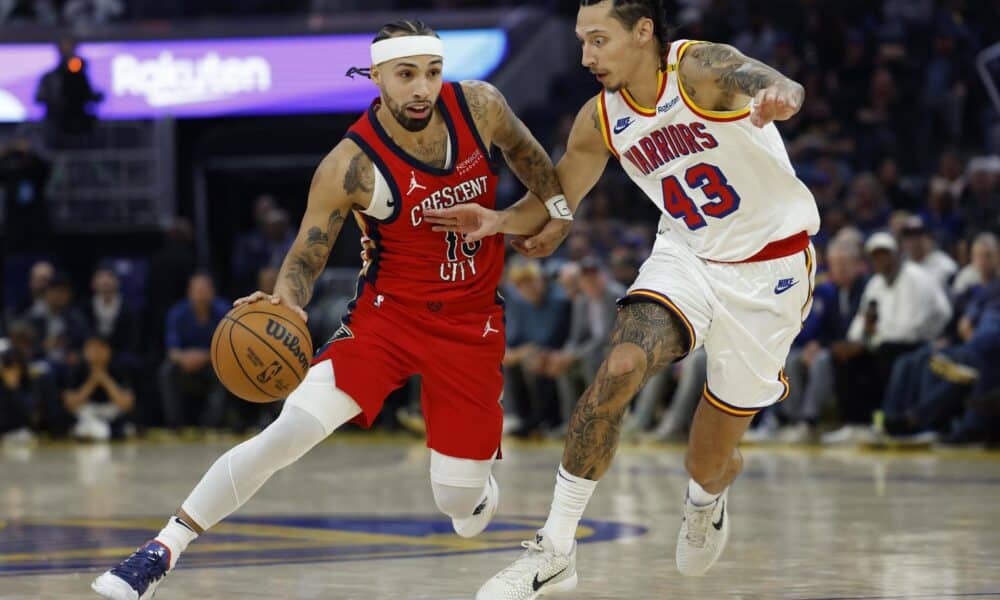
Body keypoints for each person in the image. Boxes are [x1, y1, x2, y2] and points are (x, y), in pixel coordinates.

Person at [92, 19, 565, 599]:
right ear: (377, 77)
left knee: (461, 507)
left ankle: (475, 484)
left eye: (433, 73)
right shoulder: (351, 164)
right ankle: (162, 549)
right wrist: (284, 301)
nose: (422, 88)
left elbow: (534, 165)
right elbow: (306, 255)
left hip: (470, 326)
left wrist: (537, 213)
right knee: (287, 432)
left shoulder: (482, 107)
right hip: (388, 320)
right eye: (406, 75)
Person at [425, 1, 819, 595]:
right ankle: (555, 549)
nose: (586, 56)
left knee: (706, 461)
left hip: (769, 271)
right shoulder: (599, 119)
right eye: (582, 42)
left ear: (643, 32)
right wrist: (499, 219)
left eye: (599, 40)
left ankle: (705, 498)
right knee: (620, 365)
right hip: (686, 254)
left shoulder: (696, 70)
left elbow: (756, 75)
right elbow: (558, 199)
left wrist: (780, 92)